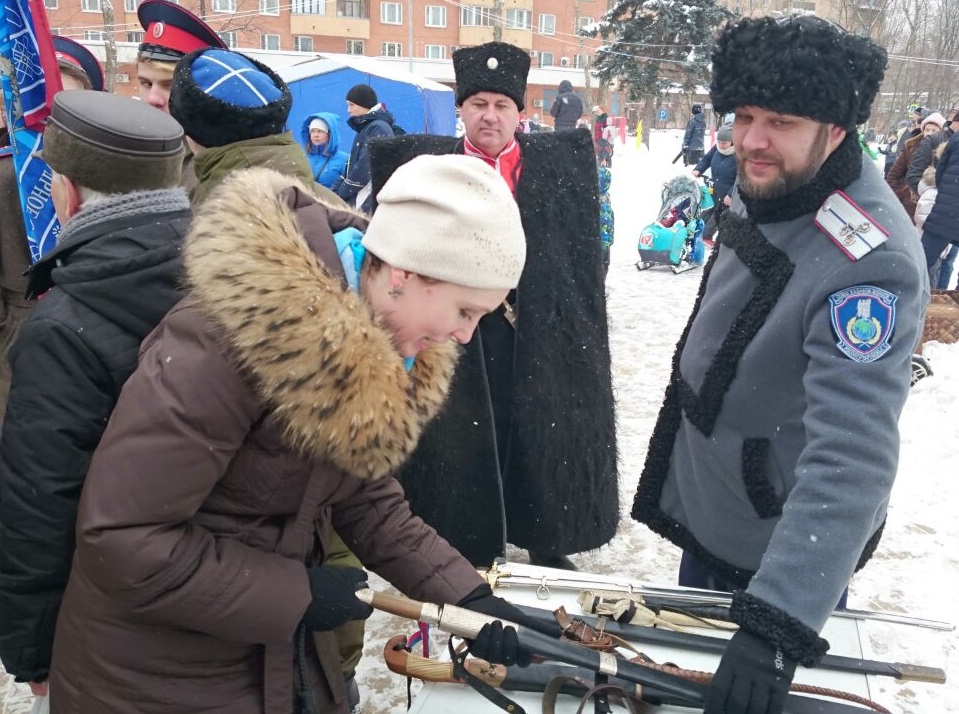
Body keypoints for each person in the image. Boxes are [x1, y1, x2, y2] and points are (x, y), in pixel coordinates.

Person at [46, 154, 551, 714]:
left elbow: (365, 499)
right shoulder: (224, 343)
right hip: (151, 677)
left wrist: (468, 597)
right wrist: (296, 593)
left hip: (259, 658)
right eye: (464, 311)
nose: (465, 336)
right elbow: (121, 539)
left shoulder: (364, 341)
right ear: (405, 274)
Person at [632, 17, 929, 714]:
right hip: (717, 498)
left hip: (780, 538)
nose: (751, 140)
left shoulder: (870, 262)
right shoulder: (775, 173)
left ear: (835, 129)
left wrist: (779, 619)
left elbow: (852, 457)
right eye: (743, 116)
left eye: (780, 121)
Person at [369, 42, 617, 571]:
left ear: (518, 113)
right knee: (465, 436)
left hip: (531, 328)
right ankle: (466, 539)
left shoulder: (553, 170)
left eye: (502, 105)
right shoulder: (432, 173)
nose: (490, 115)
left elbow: (576, 258)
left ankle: (545, 534)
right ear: (461, 108)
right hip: (457, 330)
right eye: (479, 103)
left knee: (534, 428)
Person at [0, 91, 189, 705]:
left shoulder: (63, 326)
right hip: (219, 603)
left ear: (70, 195)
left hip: (106, 624)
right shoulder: (229, 276)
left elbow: (40, 501)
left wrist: (33, 648)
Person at [136, 0, 227, 192]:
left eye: (170, 85)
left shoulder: (216, 166)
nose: (152, 99)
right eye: (146, 84)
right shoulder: (130, 147)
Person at [333, 84, 397, 212]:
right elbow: (352, 164)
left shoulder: (378, 128)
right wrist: (336, 189)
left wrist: (343, 191)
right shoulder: (367, 127)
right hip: (360, 196)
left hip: (367, 198)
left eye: (351, 105)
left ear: (364, 104)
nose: (348, 110)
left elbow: (365, 166)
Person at [886, 111, 943, 220]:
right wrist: (899, 195)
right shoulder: (911, 147)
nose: (929, 133)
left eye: (934, 130)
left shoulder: (945, 152)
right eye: (927, 130)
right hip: (907, 205)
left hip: (931, 207)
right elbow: (893, 175)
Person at [920, 130, 959, 289]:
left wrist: (947, 196)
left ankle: (904, 296)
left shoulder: (956, 138)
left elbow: (940, 171)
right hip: (947, 209)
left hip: (945, 212)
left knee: (921, 262)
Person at [692, 121, 737, 244]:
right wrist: (698, 169)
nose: (721, 145)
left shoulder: (739, 155)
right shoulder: (716, 149)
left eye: (725, 143)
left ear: (732, 142)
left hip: (728, 193)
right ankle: (699, 233)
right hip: (714, 188)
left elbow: (741, 178)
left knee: (721, 215)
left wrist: (730, 194)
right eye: (719, 142)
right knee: (711, 210)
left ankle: (710, 237)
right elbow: (706, 159)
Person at [301, 112, 348, 189]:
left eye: (320, 131)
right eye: (312, 131)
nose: (316, 135)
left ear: (330, 134)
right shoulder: (302, 157)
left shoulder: (344, 159)